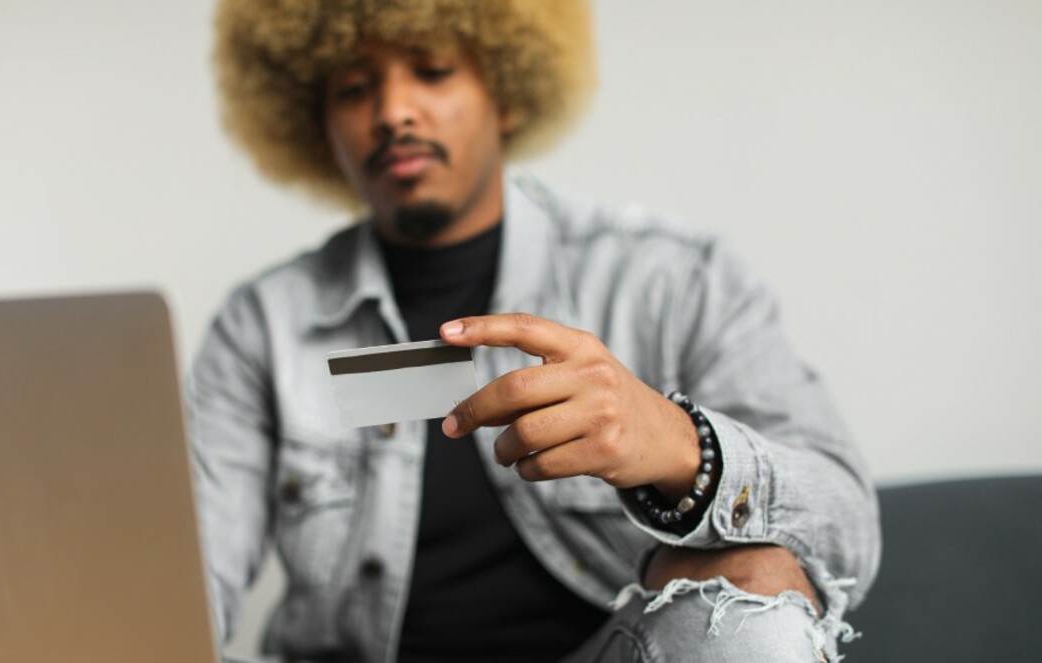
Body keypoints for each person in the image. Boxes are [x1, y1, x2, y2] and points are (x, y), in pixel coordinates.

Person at [189, 1, 879, 661]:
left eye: (431, 70)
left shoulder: (669, 279)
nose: (392, 111)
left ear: (508, 88)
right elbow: (193, 578)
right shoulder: (265, 327)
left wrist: (678, 445)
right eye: (354, 89)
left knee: (754, 579)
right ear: (319, 126)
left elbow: (845, 528)